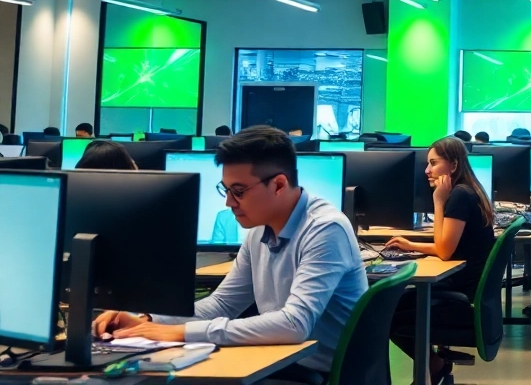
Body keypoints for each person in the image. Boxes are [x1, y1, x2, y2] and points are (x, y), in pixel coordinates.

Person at [92, 126, 367, 379]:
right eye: (226, 190)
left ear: (279, 185)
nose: (229, 202)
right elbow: (222, 304)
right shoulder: (260, 229)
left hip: (317, 371)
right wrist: (148, 320)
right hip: (279, 358)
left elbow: (294, 324)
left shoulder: (325, 229)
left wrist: (181, 332)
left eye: (238, 191)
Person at [386, 137, 497, 382]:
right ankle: (435, 366)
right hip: (464, 287)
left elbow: (445, 250)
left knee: (385, 312)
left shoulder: (459, 196)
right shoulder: (469, 190)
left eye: (434, 163)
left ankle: (434, 366)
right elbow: (446, 245)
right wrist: (412, 245)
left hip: (461, 297)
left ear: (454, 165)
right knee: (395, 304)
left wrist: (438, 202)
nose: (427, 170)